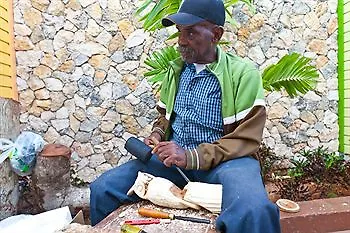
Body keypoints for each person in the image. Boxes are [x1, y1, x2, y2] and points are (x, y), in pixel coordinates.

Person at [90, 0, 281, 232]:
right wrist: (158, 134)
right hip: (173, 163)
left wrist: (191, 156)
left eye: (191, 32)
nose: (181, 40)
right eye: (180, 31)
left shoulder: (244, 74)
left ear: (216, 34)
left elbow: (246, 140)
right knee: (103, 188)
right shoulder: (176, 70)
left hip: (226, 163)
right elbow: (165, 116)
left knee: (254, 210)